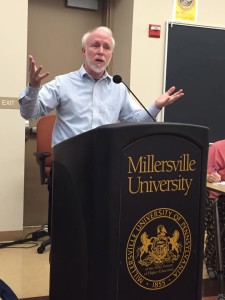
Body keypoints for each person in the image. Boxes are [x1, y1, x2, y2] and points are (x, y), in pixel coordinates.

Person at [19, 26, 184, 235]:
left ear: (111, 54)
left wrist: (156, 106)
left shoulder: (118, 87)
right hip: (69, 171)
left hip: (105, 170)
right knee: (65, 234)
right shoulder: (63, 84)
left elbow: (134, 120)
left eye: (106, 47)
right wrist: (33, 88)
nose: (101, 51)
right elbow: (29, 113)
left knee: (101, 232)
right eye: (95, 45)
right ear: (84, 51)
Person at [205, 139, 225, 275]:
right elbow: (206, 174)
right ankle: (214, 262)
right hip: (219, 198)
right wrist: (210, 176)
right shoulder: (217, 148)